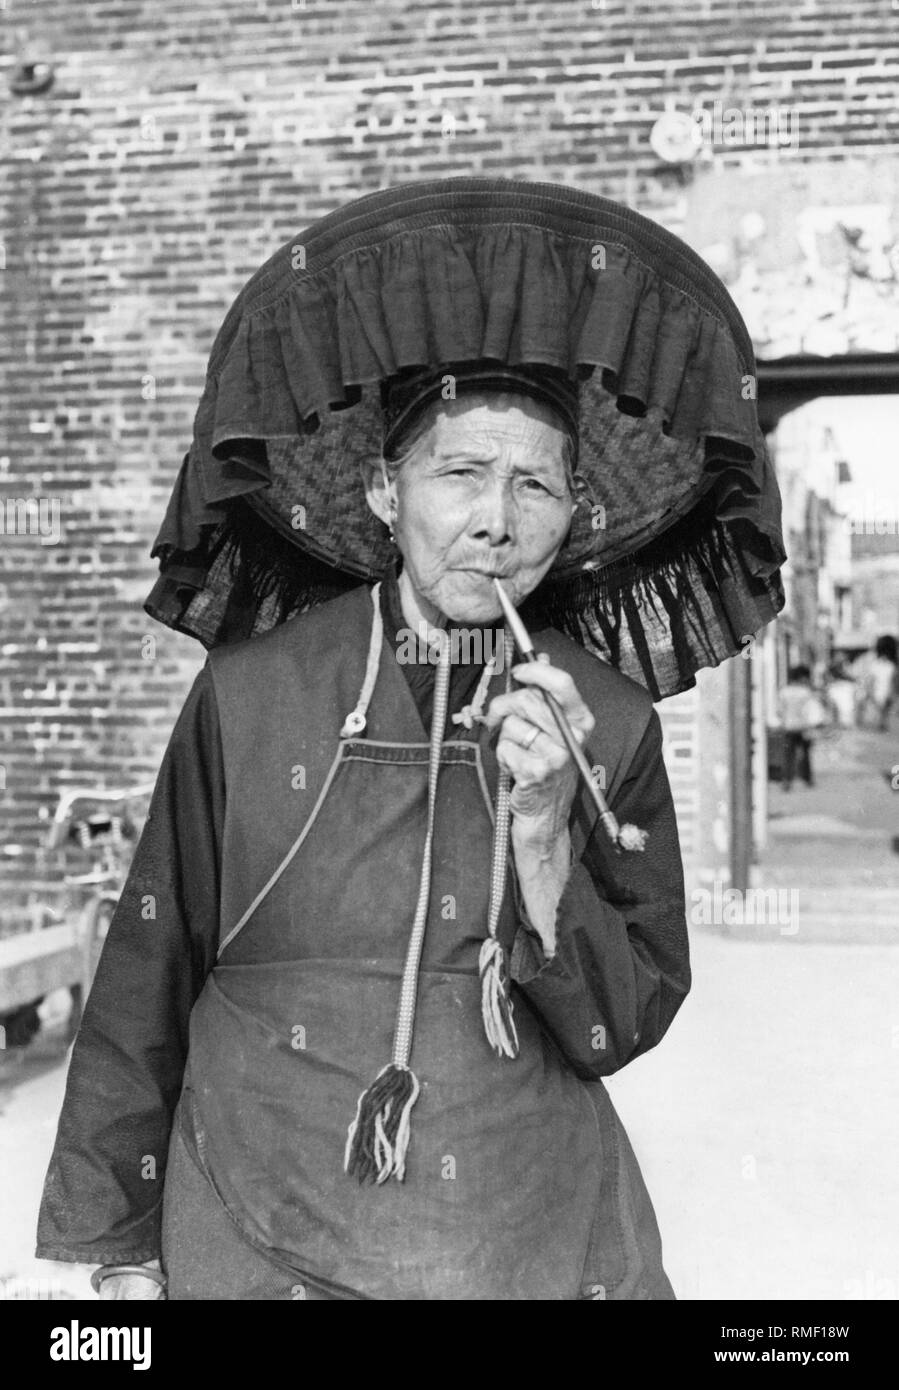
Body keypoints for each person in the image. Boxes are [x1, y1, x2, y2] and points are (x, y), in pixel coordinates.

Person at [36, 178, 786, 1301]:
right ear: (386, 494)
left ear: (572, 512)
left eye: (535, 484)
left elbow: (618, 1024)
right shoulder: (251, 695)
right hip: (255, 1211)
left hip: (517, 1225)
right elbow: (146, 969)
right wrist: (102, 1244)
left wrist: (542, 839)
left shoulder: (606, 720)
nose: (497, 517)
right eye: (460, 473)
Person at [777, 664, 825, 790]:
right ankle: (807, 779)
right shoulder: (806, 692)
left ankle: (787, 781)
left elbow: (779, 711)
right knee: (805, 754)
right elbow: (811, 710)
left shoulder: (784, 691)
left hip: (789, 727)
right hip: (804, 727)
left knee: (788, 755)